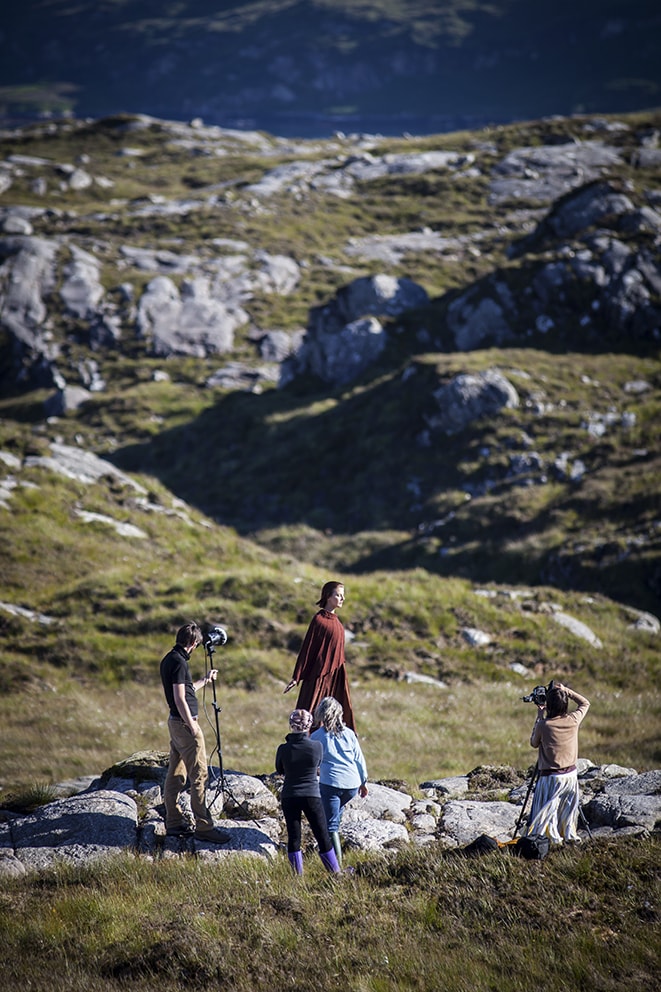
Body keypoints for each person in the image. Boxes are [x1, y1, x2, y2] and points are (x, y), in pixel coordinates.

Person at [160, 622, 230, 843]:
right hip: (185, 725)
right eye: (196, 645)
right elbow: (180, 698)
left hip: (175, 723)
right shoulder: (180, 663)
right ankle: (204, 826)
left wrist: (204, 680)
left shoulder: (170, 658)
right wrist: (192, 726)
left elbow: (184, 690)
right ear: (192, 643)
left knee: (175, 773)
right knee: (199, 775)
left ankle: (173, 822)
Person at [275, 709, 341, 875]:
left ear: (291, 725)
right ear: (309, 725)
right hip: (312, 794)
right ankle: (335, 872)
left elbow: (279, 769)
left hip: (290, 795)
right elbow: (318, 764)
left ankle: (297, 876)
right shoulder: (317, 746)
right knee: (322, 834)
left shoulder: (283, 749)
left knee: (294, 836)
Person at [284, 580, 356, 731]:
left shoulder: (338, 623)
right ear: (328, 596)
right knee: (312, 711)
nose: (342, 599)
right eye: (338, 595)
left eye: (343, 596)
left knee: (334, 714)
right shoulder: (319, 620)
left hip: (335, 676)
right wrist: (297, 676)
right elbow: (308, 648)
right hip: (318, 675)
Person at [526, 681, 590, 845]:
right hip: (570, 776)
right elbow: (585, 703)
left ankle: (548, 839)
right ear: (565, 705)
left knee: (546, 811)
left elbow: (534, 743)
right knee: (566, 811)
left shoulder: (544, 725)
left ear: (548, 706)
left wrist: (539, 716)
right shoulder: (574, 719)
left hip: (549, 779)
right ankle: (568, 835)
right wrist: (566, 690)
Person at [311, 696, 368, 866]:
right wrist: (363, 782)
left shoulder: (317, 736)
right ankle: (332, 850)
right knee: (336, 813)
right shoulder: (349, 733)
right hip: (352, 784)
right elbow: (359, 759)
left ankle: (336, 863)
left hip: (331, 783)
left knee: (330, 826)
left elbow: (311, 759)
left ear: (321, 713)